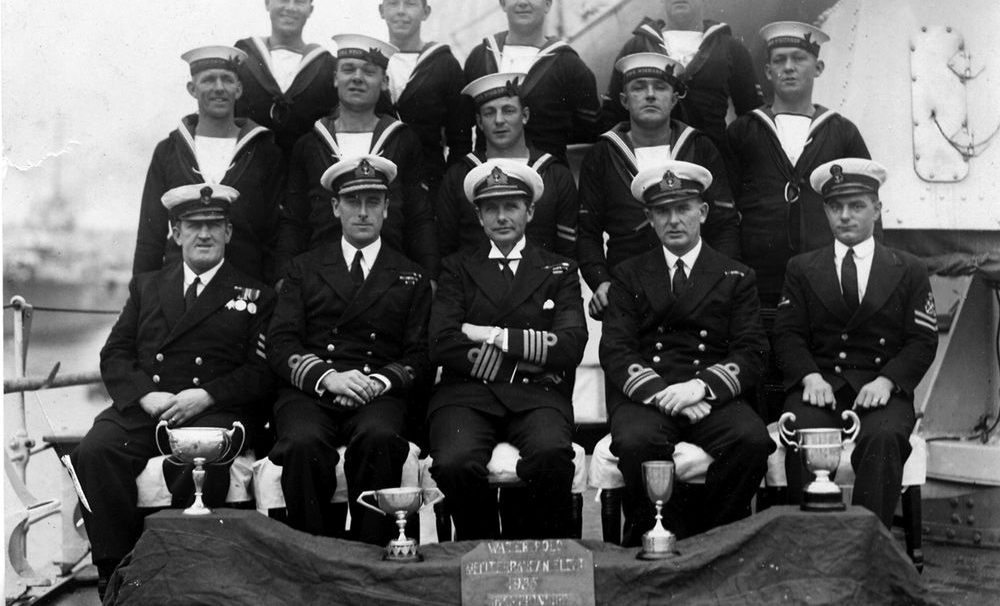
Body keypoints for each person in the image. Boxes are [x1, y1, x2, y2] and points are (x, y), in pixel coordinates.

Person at [73, 184, 276, 597]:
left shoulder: (256, 295)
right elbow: (114, 355)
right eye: (194, 225)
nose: (205, 234)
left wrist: (208, 396)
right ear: (175, 232)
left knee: (202, 459)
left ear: (229, 233)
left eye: (214, 225)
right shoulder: (145, 287)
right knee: (93, 452)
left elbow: (261, 372)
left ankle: (188, 578)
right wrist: (147, 396)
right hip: (152, 407)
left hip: (215, 408)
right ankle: (119, 574)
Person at [600, 161, 772, 545]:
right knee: (635, 442)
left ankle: (708, 540)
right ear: (649, 218)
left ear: (703, 212)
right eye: (662, 211)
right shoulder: (629, 274)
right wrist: (666, 394)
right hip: (649, 396)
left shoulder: (736, 275)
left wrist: (700, 388)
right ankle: (658, 538)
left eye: (683, 209)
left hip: (709, 397)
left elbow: (751, 351)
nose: (673, 220)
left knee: (752, 440)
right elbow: (616, 348)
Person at [267, 155, 432, 543]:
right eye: (353, 202)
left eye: (373, 202)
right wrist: (329, 378)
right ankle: (316, 556)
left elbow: (421, 356)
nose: (362, 212)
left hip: (377, 393)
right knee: (302, 443)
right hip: (313, 391)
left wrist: (376, 382)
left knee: (381, 438)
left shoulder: (411, 275)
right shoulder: (302, 269)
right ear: (335, 207)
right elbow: (280, 343)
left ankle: (369, 556)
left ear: (387, 209)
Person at [773, 158, 938, 529]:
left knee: (883, 437)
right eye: (836, 207)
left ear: (877, 210)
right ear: (826, 211)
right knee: (803, 430)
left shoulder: (908, 268)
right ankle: (809, 545)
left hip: (880, 387)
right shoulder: (801, 268)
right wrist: (809, 378)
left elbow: (921, 340)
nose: (845, 216)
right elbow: (787, 335)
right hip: (821, 384)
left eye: (857, 206)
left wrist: (888, 381)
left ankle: (866, 544)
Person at [428, 159, 588, 540]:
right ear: (479, 216)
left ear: (530, 211)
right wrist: (521, 364)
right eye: (491, 208)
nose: (501, 217)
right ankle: (479, 551)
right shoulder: (456, 268)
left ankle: (539, 555)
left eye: (511, 206)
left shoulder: (560, 270)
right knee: (454, 462)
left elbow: (570, 345)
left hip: (537, 397)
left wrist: (492, 335)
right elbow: (442, 341)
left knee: (550, 454)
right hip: (466, 395)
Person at [721, 22, 874, 418]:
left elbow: (867, 205)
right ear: (768, 72)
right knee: (764, 364)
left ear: (817, 69)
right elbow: (724, 210)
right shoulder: (743, 131)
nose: (789, 67)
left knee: (818, 364)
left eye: (799, 59)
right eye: (779, 61)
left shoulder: (841, 131)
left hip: (824, 275)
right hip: (760, 275)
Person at [579, 52, 739, 319]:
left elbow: (726, 225)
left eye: (660, 87)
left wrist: (715, 279)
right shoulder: (602, 154)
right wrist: (600, 282)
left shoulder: (700, 147)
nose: (650, 95)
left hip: (696, 288)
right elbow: (587, 233)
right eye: (639, 88)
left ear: (674, 99)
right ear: (624, 100)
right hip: (628, 290)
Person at [276, 34, 438, 281]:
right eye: (348, 69)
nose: (357, 78)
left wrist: (431, 276)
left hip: (388, 276)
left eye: (369, 71)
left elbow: (419, 218)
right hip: (320, 277)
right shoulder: (309, 144)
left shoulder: (403, 140)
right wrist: (283, 277)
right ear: (335, 78)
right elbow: (294, 220)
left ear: (384, 81)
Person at [133, 46, 284, 283]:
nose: (219, 88)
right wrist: (140, 300)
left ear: (239, 88)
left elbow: (276, 234)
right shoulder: (168, 151)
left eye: (227, 79)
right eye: (208, 80)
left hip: (246, 289)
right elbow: (150, 236)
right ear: (192, 89)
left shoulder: (265, 151)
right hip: (180, 289)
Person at [599, 0, 763, 147]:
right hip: (653, 165)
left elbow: (752, 118)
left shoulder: (730, 48)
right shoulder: (636, 47)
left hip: (714, 165)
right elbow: (612, 117)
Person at [464, 0, 600, 164]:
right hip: (491, 177)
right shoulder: (481, 57)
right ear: (502, 3)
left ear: (547, 3)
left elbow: (591, 127)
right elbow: (463, 124)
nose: (522, 2)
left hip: (548, 177)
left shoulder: (568, 64)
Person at [437, 72, 577, 259]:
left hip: (543, 284)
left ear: (525, 115)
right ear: (479, 121)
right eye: (489, 113)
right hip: (474, 285)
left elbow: (568, 252)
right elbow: (446, 248)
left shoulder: (555, 175)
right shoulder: (460, 175)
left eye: (508, 110)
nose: (499, 120)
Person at [371, 0, 471, 200]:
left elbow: (460, 140)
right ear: (381, 11)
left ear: (426, 12)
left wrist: (450, 191)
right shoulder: (370, 63)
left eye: (410, 3)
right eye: (393, 3)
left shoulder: (444, 64)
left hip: (430, 186)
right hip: (374, 185)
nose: (401, 11)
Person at [235, 0, 338, 161]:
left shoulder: (327, 65)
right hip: (249, 171)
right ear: (267, 3)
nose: (290, 7)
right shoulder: (243, 58)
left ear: (310, 10)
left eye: (299, 0)